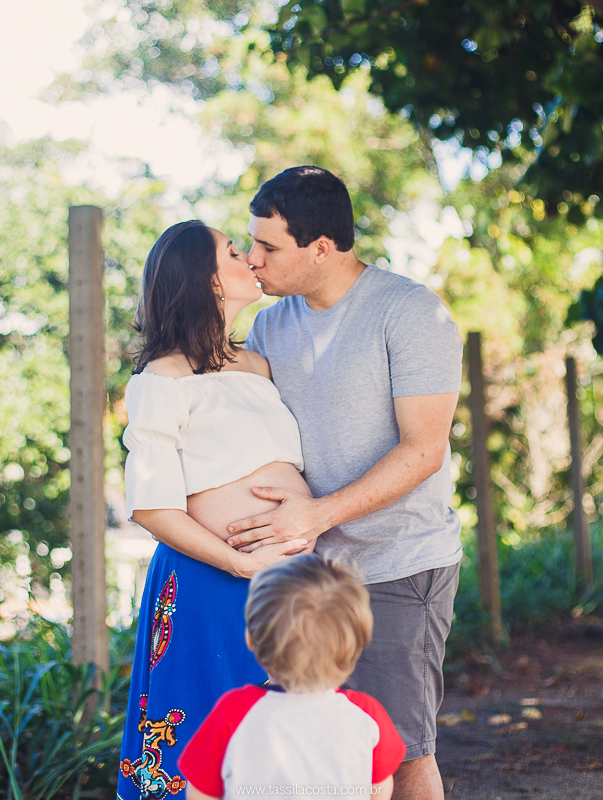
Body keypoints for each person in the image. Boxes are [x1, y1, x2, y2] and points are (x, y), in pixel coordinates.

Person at [226, 166, 463, 800]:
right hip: (305, 575)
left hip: (398, 564)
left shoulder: (409, 312)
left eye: (269, 247)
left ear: (322, 248)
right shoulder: (271, 326)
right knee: (309, 756)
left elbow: (424, 450)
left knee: (401, 750)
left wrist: (316, 514)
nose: (254, 259)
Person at [117, 220, 314, 800]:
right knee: (205, 743)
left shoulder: (258, 365)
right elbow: (152, 508)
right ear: (206, 281)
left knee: (285, 744)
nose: (251, 258)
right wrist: (238, 563)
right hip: (212, 583)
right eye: (234, 251)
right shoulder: (162, 378)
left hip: (288, 579)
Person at [177, 553, 405, 800]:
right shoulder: (366, 714)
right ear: (355, 646)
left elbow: (200, 793)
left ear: (251, 640)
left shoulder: (233, 713)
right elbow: (379, 790)